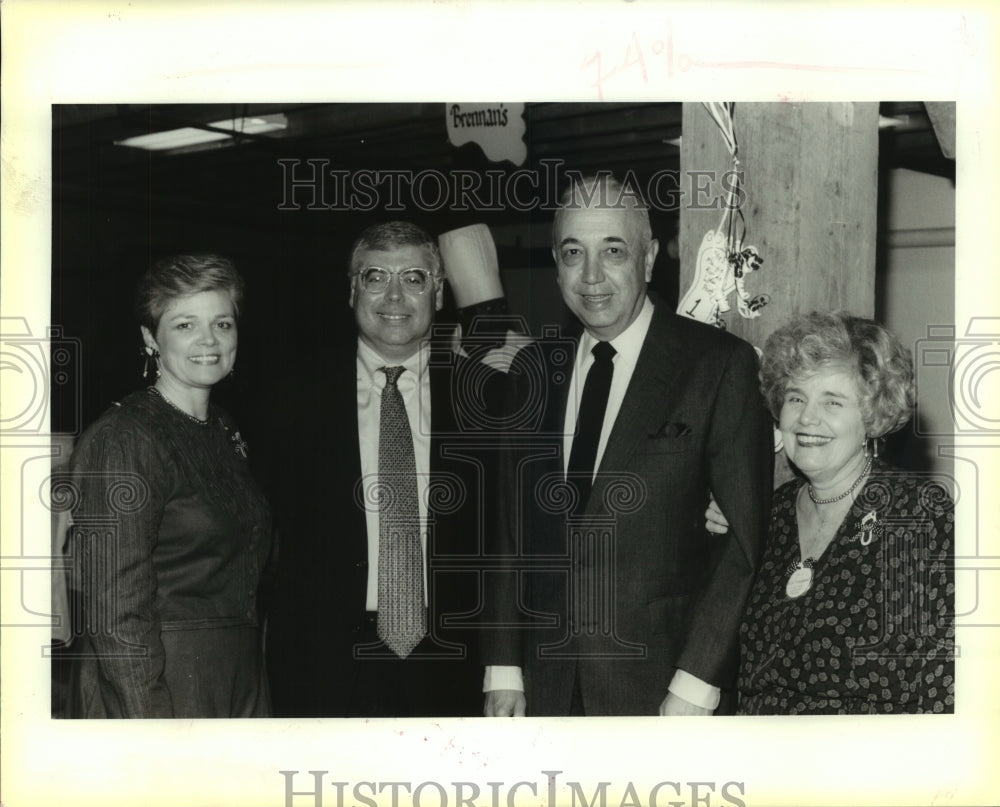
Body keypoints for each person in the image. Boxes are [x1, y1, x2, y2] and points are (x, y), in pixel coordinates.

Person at [482, 175, 774, 716]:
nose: (591, 276)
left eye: (612, 250)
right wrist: (504, 668)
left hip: (663, 689)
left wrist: (695, 686)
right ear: (556, 262)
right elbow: (507, 528)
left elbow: (743, 544)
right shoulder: (531, 372)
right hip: (541, 688)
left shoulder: (718, 366)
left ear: (647, 259)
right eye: (574, 253)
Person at [263, 221, 509, 717]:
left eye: (414, 278)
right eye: (375, 277)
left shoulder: (490, 397)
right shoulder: (287, 400)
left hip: (451, 665)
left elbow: (516, 534)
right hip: (320, 668)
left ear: (438, 293)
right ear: (351, 289)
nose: (394, 295)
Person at [705, 311, 955, 714]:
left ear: (873, 417)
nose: (807, 418)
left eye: (832, 402)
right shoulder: (770, 513)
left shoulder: (918, 514)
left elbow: (946, 687)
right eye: (796, 398)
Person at [64, 254, 272, 718]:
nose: (208, 341)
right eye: (184, 325)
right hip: (160, 687)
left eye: (222, 323)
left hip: (237, 680)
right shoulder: (125, 438)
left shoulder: (223, 428)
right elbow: (115, 615)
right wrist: (155, 734)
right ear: (149, 339)